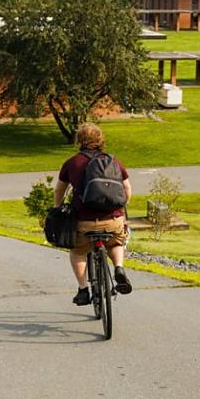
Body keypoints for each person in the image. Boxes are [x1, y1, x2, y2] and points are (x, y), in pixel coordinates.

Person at [54, 123, 133, 306]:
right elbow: (127, 188)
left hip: (84, 222)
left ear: (79, 140)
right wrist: (121, 207)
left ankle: (83, 289)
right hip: (113, 220)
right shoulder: (114, 161)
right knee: (116, 242)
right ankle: (119, 268)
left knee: (78, 251)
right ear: (100, 140)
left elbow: (59, 190)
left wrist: (58, 208)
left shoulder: (72, 163)